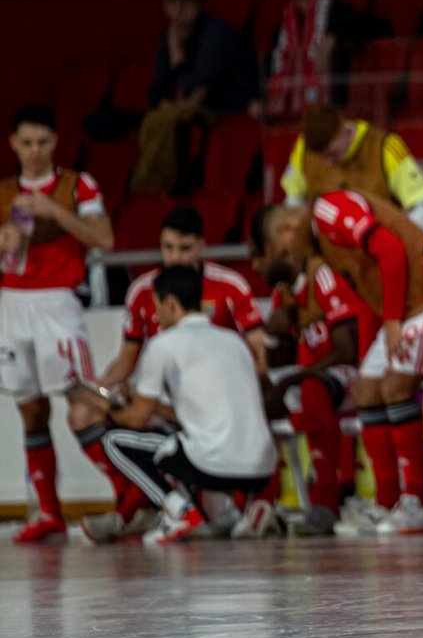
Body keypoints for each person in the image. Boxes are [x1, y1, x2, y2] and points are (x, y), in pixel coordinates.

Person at [74, 206, 269, 544]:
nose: (175, 257)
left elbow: (136, 417)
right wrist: (97, 388)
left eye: (184, 248)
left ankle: (167, 509)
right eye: (167, 248)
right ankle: (143, 508)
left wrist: (114, 406)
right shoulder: (226, 339)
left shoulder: (218, 296)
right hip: (244, 444)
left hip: (194, 410)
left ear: (171, 306)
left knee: (121, 437)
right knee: (85, 411)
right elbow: (125, 359)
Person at [260, 189, 423, 534]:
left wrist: (391, 321)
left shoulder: (327, 210)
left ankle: (418, 499)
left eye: (284, 249)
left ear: (287, 230)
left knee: (394, 386)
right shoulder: (321, 241)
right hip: (404, 310)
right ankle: (387, 503)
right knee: (365, 388)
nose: (289, 256)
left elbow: (390, 249)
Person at [2, 106, 116, 543]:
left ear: (56, 143)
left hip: (57, 304)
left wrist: (54, 212)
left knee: (82, 405)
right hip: (12, 304)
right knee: (30, 408)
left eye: (42, 143)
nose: (34, 152)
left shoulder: (76, 185)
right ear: (13, 143)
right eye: (26, 143)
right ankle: (47, 511)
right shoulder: (4, 192)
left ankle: (130, 496)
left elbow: (103, 238)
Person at [100, 267, 278, 545]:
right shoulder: (235, 342)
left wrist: (107, 408)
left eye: (156, 306)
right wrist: (157, 408)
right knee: (180, 439)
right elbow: (199, 414)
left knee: (113, 441)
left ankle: (177, 510)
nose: (155, 315)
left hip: (212, 466)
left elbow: (136, 419)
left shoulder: (163, 344)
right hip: (262, 467)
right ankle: (246, 507)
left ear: (170, 303)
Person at [254, 208, 378, 539]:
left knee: (310, 387)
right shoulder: (282, 293)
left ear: (288, 254)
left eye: (262, 256)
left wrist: (292, 380)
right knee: (258, 394)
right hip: (321, 375)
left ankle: (326, 500)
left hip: (357, 371)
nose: (257, 265)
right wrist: (272, 334)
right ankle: (260, 502)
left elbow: (348, 348)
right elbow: (281, 362)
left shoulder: (321, 277)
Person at [132, 0, 258, 194]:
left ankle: (151, 191)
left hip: (227, 108)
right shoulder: (170, 36)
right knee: (157, 117)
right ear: (164, 6)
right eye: (172, 0)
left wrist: (177, 54)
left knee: (164, 119)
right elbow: (156, 94)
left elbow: (197, 89)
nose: (179, 7)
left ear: (199, 2)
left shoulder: (216, 33)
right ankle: (147, 195)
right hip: (194, 108)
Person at [266, 0, 391, 119]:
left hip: (331, 106)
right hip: (289, 110)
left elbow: (382, 28)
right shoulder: (283, 21)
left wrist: (338, 41)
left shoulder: (332, 9)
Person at [281, 104, 423, 233]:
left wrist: (384, 232)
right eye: (320, 157)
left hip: (378, 253)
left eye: (332, 154)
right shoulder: (303, 150)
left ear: (346, 131)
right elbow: (292, 207)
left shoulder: (385, 147)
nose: (328, 164)